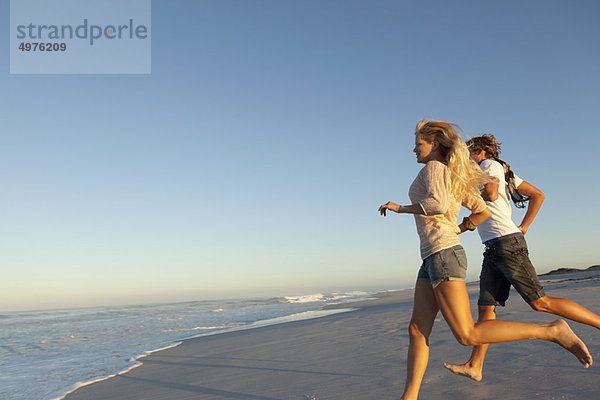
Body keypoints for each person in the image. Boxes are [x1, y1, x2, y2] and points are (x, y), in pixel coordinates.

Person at [378, 120, 592, 400]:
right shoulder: (454, 175)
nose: (414, 149)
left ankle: (551, 331)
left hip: (443, 255)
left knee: (467, 334)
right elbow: (482, 211)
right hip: (433, 255)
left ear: (436, 144)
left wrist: (400, 208)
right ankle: (409, 397)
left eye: (418, 143)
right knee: (417, 329)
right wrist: (459, 227)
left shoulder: (433, 167)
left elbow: (438, 205)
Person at [443, 134, 600, 382]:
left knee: (540, 302)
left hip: (507, 245)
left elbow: (493, 194)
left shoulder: (489, 166)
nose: (465, 156)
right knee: (486, 309)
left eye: (468, 151)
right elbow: (538, 195)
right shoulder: (504, 171)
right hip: (494, 247)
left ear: (481, 151)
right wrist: (523, 226)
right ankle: (475, 365)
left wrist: (463, 194)